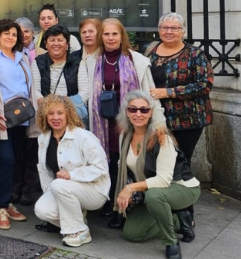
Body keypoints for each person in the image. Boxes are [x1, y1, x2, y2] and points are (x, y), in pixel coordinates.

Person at [80, 17, 159, 224]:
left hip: (131, 120)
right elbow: (85, 93)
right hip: (103, 121)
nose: (111, 38)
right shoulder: (91, 61)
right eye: (106, 34)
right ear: (101, 36)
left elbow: (149, 95)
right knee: (109, 160)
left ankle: (123, 207)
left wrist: (158, 123)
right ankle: (109, 201)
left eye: (115, 34)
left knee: (126, 161)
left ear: (122, 36)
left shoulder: (137, 61)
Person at [114, 91, 200, 259]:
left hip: (181, 186)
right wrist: (133, 194)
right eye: (133, 109)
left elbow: (163, 179)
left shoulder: (161, 136)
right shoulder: (125, 134)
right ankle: (178, 219)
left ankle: (171, 242)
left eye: (144, 110)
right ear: (126, 111)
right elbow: (124, 167)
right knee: (132, 234)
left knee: (154, 196)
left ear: (151, 112)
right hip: (151, 190)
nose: (138, 114)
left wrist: (130, 188)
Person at [34, 95, 109, 248]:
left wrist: (72, 174)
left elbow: (101, 168)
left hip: (93, 190)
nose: (55, 117)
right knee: (42, 210)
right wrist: (49, 193)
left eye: (60, 113)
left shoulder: (83, 136)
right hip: (62, 189)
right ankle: (77, 220)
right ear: (45, 116)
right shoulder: (43, 138)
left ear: (68, 113)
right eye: (51, 113)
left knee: (59, 185)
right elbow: (44, 171)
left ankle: (80, 232)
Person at [0, 19, 32, 229]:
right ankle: (1, 207)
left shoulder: (22, 57)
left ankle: (8, 202)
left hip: (21, 118)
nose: (10, 37)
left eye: (14, 34)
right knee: (5, 160)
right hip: (0, 118)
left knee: (15, 160)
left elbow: (30, 85)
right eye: (6, 33)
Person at [145, 13, 213, 164]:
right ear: (159, 30)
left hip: (187, 119)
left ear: (183, 31)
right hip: (156, 116)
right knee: (157, 160)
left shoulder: (196, 55)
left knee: (180, 161)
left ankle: (182, 187)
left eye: (174, 28)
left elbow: (205, 85)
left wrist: (169, 92)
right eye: (165, 28)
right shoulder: (149, 51)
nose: (169, 32)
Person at [32, 24, 89, 131]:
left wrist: (63, 110)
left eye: (60, 40)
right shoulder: (38, 62)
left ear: (67, 44)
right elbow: (35, 91)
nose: (56, 43)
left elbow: (85, 92)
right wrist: (52, 110)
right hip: (48, 117)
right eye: (52, 40)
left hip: (73, 117)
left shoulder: (77, 63)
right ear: (46, 44)